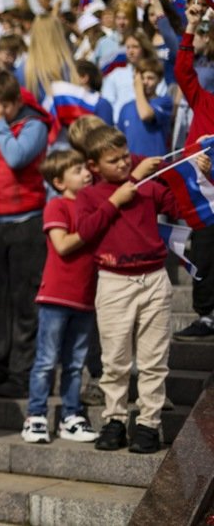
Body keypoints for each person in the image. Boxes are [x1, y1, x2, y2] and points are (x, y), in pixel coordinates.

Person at [74, 126, 179, 454]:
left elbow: (178, 208)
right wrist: (120, 195)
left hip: (153, 278)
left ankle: (149, 423)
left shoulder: (147, 185)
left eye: (124, 157)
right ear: (94, 166)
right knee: (115, 358)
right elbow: (86, 231)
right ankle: (115, 418)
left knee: (153, 359)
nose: (122, 164)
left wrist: (180, 176)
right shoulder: (89, 195)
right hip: (115, 280)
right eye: (113, 160)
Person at [0, 71, 50, 397]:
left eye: (3, 105)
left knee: (24, 300)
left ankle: (21, 373)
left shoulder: (34, 125)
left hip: (25, 223)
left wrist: (1, 124)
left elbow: (17, 157)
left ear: (15, 102)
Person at [21, 150, 99, 445]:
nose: (86, 173)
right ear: (59, 181)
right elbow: (62, 244)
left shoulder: (93, 205)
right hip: (56, 297)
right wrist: (94, 225)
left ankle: (71, 415)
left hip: (85, 299)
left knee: (75, 362)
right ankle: (36, 416)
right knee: (46, 360)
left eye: (85, 168)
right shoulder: (56, 205)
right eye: (77, 170)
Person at [173, 3, 214, 341]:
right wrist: (190, 26)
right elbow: (183, 70)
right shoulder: (203, 99)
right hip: (204, 200)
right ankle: (206, 317)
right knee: (203, 254)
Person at [118, 58, 172, 157]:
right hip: (133, 166)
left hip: (156, 165)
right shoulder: (126, 108)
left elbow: (145, 114)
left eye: (150, 78)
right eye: (141, 78)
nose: (145, 82)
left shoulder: (164, 101)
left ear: (159, 80)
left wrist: (138, 88)